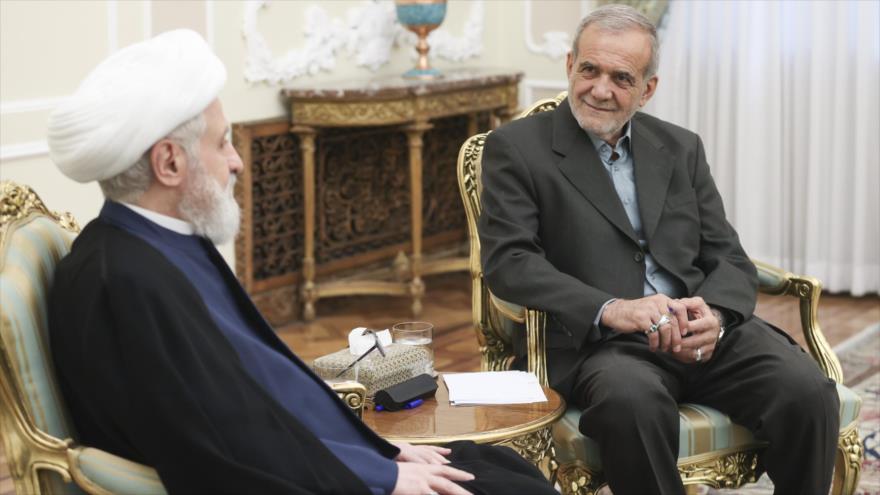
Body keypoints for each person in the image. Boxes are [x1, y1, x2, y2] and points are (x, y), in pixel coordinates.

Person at [47, 29, 555, 495]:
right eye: (222, 142)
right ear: (169, 162)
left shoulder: (164, 244)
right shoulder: (125, 283)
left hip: (321, 458)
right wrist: (382, 476)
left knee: (506, 470)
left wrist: (382, 449)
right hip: (295, 482)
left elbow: (262, 385)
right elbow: (222, 445)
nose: (236, 161)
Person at [478, 5, 840, 494]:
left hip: (698, 330)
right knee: (632, 404)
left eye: (621, 78)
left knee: (808, 391)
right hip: (603, 344)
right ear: (569, 65)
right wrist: (613, 309)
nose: (600, 89)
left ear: (647, 89)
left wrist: (716, 315)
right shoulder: (517, 148)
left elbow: (727, 254)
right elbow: (510, 261)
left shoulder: (680, 147)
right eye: (589, 70)